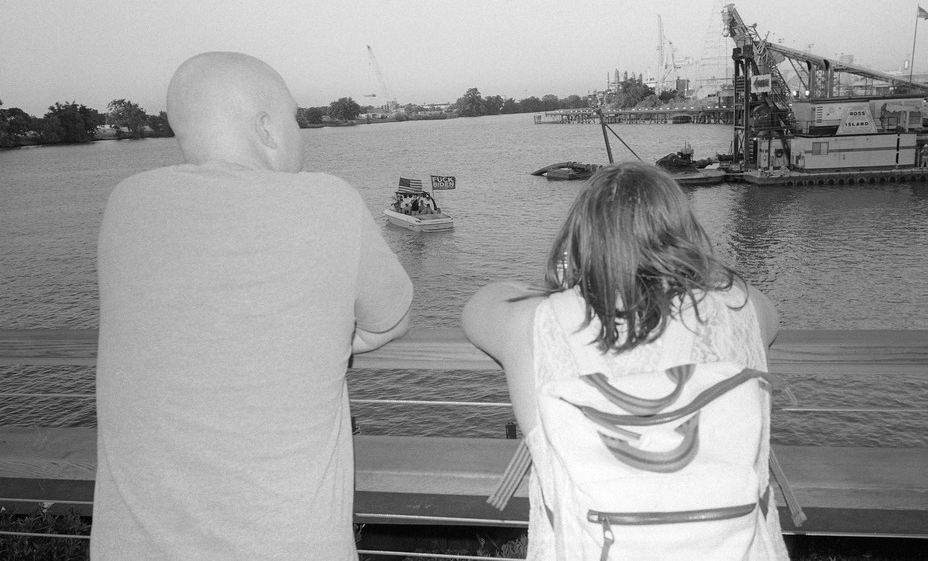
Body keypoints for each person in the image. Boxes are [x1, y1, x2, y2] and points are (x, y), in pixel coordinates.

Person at [92, 52, 413, 560]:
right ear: (266, 128)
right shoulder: (329, 201)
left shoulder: (125, 205)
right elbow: (390, 319)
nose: (299, 134)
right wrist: (332, 339)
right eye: (294, 119)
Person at [462, 162, 788, 560]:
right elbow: (740, 296)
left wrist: (563, 284)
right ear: (683, 232)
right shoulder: (744, 308)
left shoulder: (537, 324)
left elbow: (480, 305)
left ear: (580, 240)